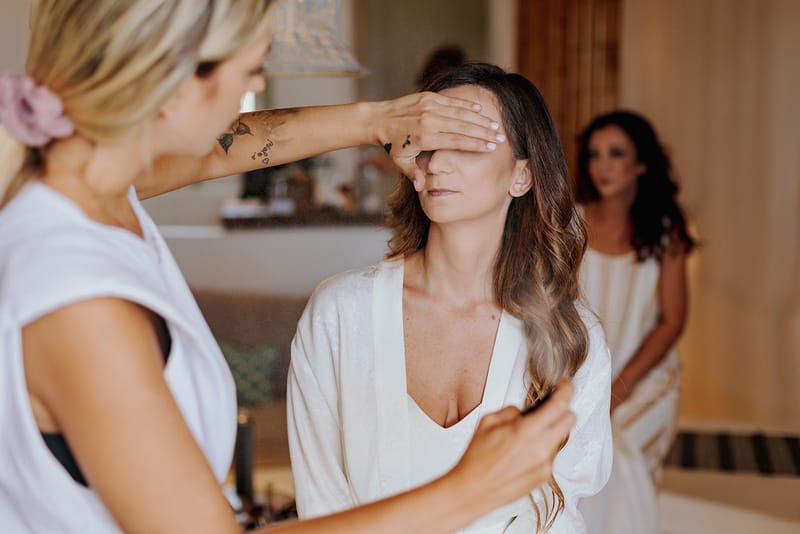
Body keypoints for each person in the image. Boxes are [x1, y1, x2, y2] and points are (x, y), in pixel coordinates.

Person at [0, 1, 581, 532]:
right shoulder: (78, 302)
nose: (257, 87)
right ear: (172, 82)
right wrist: (468, 490)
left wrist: (378, 119)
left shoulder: (89, 189)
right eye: (252, 69)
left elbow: (225, 148)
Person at [287, 63, 613, 533]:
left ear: (522, 176)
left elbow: (561, 515)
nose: (437, 163)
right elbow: (321, 504)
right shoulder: (339, 314)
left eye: (465, 141)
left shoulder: (572, 337)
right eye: (428, 143)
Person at [573, 110, 697, 534]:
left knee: (616, 454)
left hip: (646, 382)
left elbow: (672, 322)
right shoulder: (568, 224)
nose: (603, 165)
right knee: (579, 462)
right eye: (594, 154)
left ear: (641, 163)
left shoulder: (666, 231)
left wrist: (616, 391)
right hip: (580, 380)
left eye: (616, 153)